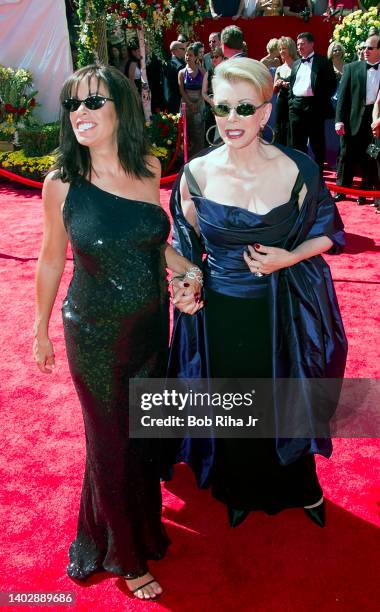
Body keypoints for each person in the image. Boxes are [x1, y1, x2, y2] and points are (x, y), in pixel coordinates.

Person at [33, 64, 202, 600]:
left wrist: (188, 271)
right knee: (109, 444)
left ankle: (133, 527)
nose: (79, 113)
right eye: (72, 104)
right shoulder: (60, 184)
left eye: (93, 102)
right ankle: (126, 558)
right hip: (95, 336)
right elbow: (51, 260)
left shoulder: (149, 167)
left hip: (152, 328)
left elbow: (154, 243)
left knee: (141, 440)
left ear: (121, 108)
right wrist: (40, 329)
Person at [169, 57, 347, 529]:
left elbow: (330, 231)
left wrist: (288, 257)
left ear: (266, 112)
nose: (232, 120)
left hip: (285, 309)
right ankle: (240, 487)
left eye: (244, 108)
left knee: (289, 398)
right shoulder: (196, 174)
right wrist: (185, 282)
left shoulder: (299, 169)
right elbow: (185, 250)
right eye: (223, 107)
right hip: (223, 314)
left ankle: (300, 487)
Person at [335, 33, 380, 204]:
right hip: (352, 118)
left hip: (375, 118)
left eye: (370, 48)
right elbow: (343, 96)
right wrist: (339, 120)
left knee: (371, 155)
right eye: (364, 47)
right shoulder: (351, 68)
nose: (365, 51)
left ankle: (366, 192)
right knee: (347, 155)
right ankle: (341, 190)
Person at [288, 32, 336, 174]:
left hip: (315, 107)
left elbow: (332, 85)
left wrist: (320, 101)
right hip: (296, 107)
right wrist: (292, 102)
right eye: (297, 45)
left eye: (302, 44)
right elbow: (292, 85)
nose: (299, 47)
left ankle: (318, 174)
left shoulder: (323, 62)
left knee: (317, 144)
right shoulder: (296, 63)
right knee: (297, 144)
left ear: (311, 44)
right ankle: (299, 172)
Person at [178, 44, 206, 158]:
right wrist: (190, 104)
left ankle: (199, 156)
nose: (187, 57)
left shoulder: (203, 71)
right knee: (186, 132)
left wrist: (197, 103)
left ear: (195, 57)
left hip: (199, 104)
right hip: (186, 104)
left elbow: (204, 90)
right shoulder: (181, 72)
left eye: (190, 55)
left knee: (198, 133)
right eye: (186, 55)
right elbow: (181, 91)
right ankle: (186, 158)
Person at [273, 36, 297, 145]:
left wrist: (290, 85)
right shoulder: (279, 68)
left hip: (293, 103)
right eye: (280, 49)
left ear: (290, 49)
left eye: (284, 48)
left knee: (291, 129)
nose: (281, 51)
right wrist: (277, 84)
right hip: (281, 103)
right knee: (280, 128)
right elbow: (274, 91)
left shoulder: (298, 65)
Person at [202, 46, 225, 139]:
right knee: (209, 135)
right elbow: (203, 92)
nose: (214, 59)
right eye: (212, 57)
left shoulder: (227, 72)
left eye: (216, 56)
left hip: (224, 107)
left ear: (223, 58)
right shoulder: (209, 72)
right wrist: (212, 102)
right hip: (211, 106)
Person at [163, 41, 186, 113]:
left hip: (170, 99)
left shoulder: (167, 64)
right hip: (177, 100)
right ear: (175, 50)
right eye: (183, 49)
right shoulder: (175, 65)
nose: (185, 51)